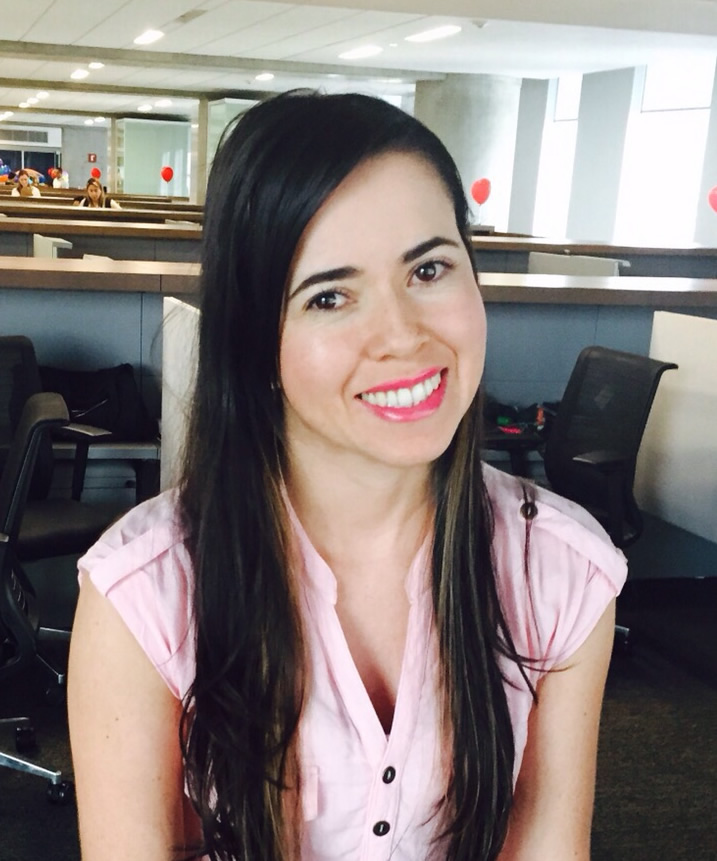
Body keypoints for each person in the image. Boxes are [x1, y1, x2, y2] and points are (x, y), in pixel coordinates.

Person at [68, 91, 627, 861]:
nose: (401, 335)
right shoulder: (145, 594)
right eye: (330, 296)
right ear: (257, 343)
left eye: (428, 269)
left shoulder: (560, 568)